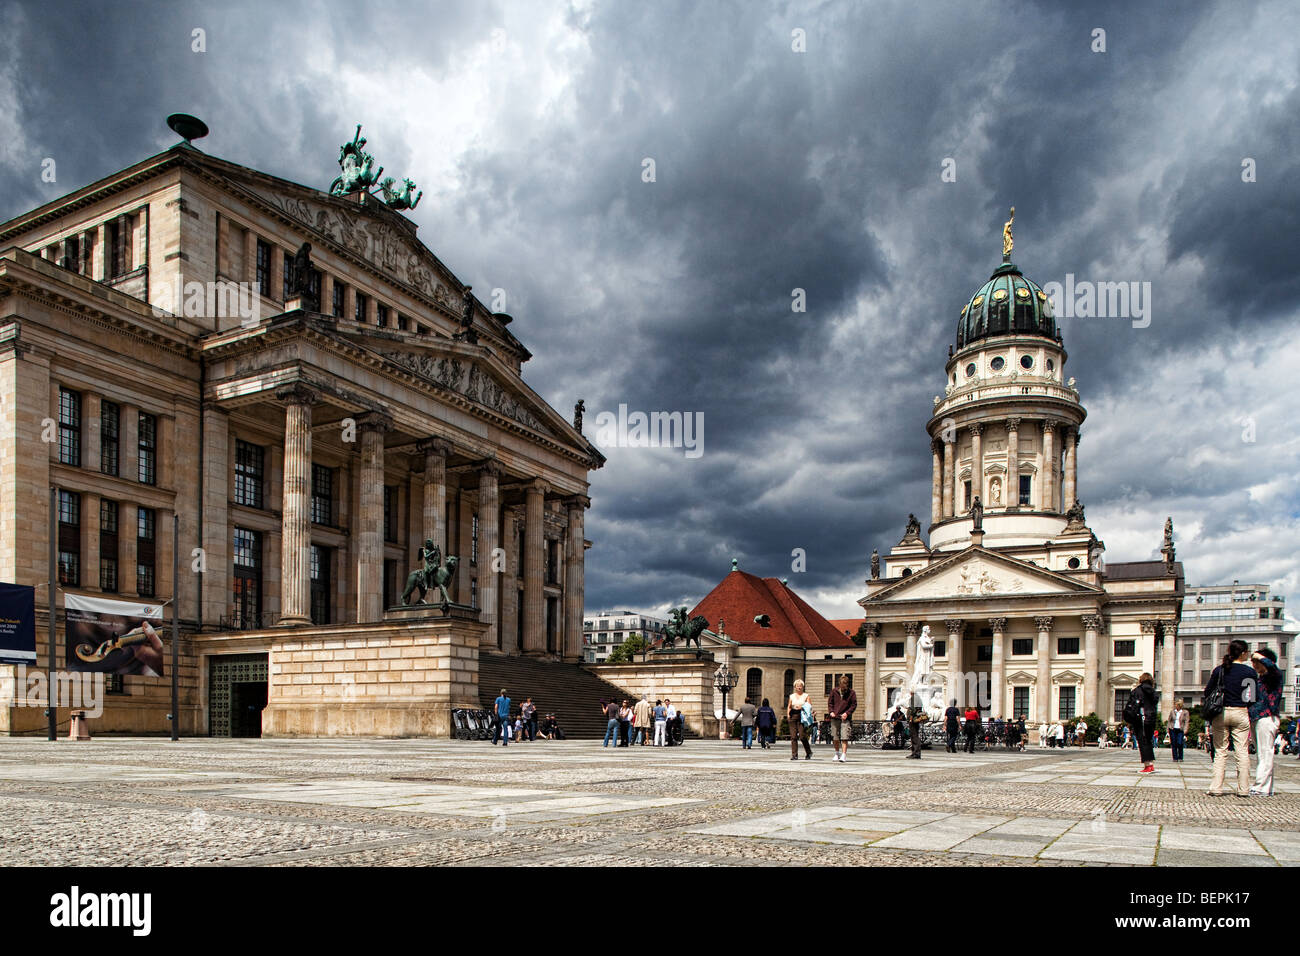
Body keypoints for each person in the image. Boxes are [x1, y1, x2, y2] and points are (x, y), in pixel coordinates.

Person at [1206, 639, 1257, 797]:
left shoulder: (1220, 670)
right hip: (1241, 711)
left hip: (1221, 712)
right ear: (1243, 653)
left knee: (1220, 751)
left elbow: (1208, 691)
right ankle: (1243, 789)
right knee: (1242, 752)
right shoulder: (1249, 672)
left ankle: (1216, 788)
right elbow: (1253, 696)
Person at [1249, 649, 1283, 796]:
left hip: (1267, 717)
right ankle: (1266, 787)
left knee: (1265, 753)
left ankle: (1259, 786)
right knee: (1262, 754)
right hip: (1258, 718)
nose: (1254, 665)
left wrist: (1259, 656)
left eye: (1256, 662)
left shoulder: (1274, 676)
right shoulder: (1260, 679)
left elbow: (1273, 667)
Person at [1126, 673, 1158, 773]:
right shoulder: (1153, 691)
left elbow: (1133, 705)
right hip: (1151, 719)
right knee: (1148, 741)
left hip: (1140, 719)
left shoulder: (1137, 691)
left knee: (1142, 742)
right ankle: (1150, 764)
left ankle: (1147, 765)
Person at [827, 676, 857, 763]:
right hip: (835, 717)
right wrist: (831, 711)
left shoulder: (852, 693)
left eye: (845, 686)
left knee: (844, 736)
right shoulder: (834, 691)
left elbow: (854, 705)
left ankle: (844, 754)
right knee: (835, 736)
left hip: (845, 718)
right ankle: (837, 753)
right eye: (841, 686)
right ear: (839, 684)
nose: (843, 688)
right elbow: (830, 703)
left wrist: (847, 713)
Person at [787, 679, 813, 760]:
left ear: (803, 687)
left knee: (802, 736)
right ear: (795, 687)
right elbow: (789, 706)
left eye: (800, 686)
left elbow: (809, 706)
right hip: (793, 716)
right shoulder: (792, 696)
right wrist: (788, 714)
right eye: (797, 686)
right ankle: (794, 755)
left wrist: (802, 707)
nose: (799, 687)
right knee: (793, 736)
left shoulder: (806, 696)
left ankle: (808, 752)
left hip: (802, 716)